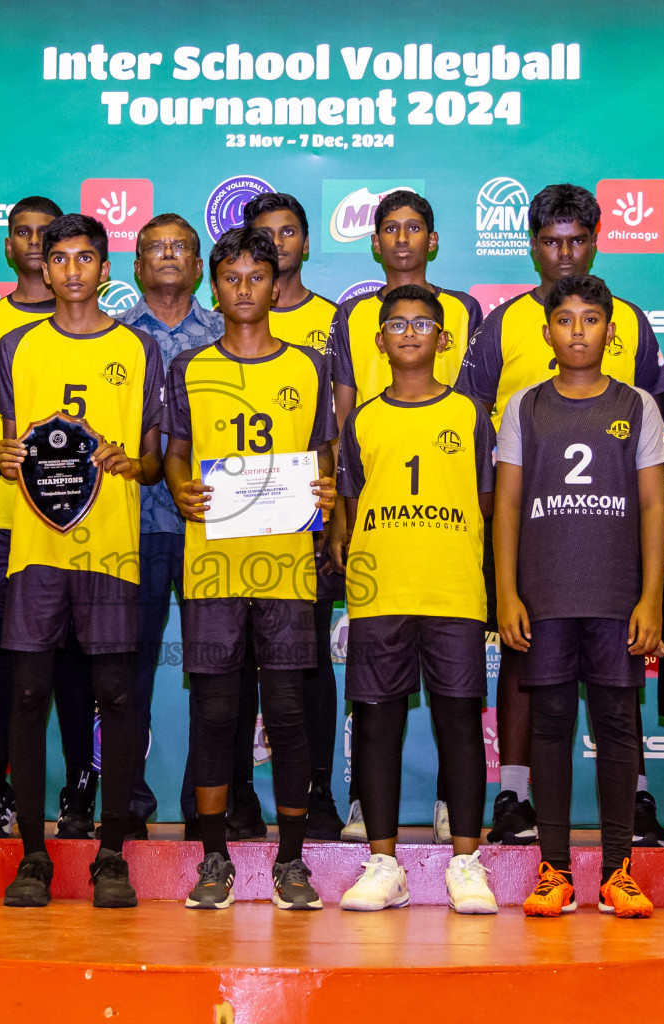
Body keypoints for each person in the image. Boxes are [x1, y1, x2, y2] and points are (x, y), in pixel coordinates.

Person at [456, 183, 664, 847]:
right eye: (552, 242)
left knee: (620, 666)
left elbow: (649, 427)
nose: (565, 255)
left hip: (611, 524)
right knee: (524, 653)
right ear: (533, 247)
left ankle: (633, 796)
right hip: (523, 515)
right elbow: (473, 417)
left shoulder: (629, 319)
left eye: (577, 241)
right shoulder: (500, 324)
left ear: (597, 239)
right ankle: (515, 796)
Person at [0, 214, 163, 909]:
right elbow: (7, 446)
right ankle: (33, 854)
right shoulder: (15, 347)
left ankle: (112, 852)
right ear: (42, 265)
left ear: (104, 268)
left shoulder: (139, 348)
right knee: (28, 697)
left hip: (111, 550)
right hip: (35, 552)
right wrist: (4, 460)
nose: (70, 271)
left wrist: (136, 463)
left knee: (116, 697)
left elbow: (154, 459)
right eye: (57, 258)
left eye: (84, 258)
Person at [164, 227, 335, 911]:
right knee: (213, 712)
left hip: (288, 564)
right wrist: (179, 484)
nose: (243, 289)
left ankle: (291, 863)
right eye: (230, 278)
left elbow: (323, 457)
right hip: (212, 563)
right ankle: (214, 860)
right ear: (216, 286)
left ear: (274, 284)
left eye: (255, 277)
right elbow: (176, 451)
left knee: (289, 711)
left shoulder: (308, 366)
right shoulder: (189, 368)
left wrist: (325, 489)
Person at [494, 275, 664, 919]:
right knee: (552, 728)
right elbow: (508, 502)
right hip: (544, 598)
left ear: (609, 332)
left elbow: (653, 504)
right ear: (547, 333)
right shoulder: (526, 408)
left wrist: (650, 598)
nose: (577, 331)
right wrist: (507, 591)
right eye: (565, 320)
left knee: (619, 728)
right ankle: (554, 870)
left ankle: (619, 869)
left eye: (591, 320)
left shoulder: (638, 405)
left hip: (617, 598)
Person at [331, 285, 497, 914]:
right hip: (381, 590)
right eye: (395, 324)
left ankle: (466, 862)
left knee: (459, 720)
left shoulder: (470, 414)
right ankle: (382, 863)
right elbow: (349, 501)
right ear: (378, 340)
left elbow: (486, 499)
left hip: (452, 586)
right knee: (377, 722)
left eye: (422, 323)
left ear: (443, 338)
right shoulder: (363, 419)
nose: (408, 333)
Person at [326, 188, 481, 843]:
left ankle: (461, 826)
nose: (402, 238)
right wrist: (340, 517)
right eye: (389, 228)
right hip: (380, 560)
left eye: (414, 227)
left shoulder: (468, 382)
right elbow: (346, 444)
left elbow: (484, 474)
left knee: (459, 711)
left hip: (449, 565)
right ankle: (372, 821)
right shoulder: (355, 334)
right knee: (373, 703)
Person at [0, 196, 100, 841]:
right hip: (6, 527)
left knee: (74, 665)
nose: (38, 246)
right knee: (6, 666)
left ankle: (77, 795)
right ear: (8, 246)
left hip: (83, 529)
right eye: (26, 235)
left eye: (51, 236)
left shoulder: (106, 332)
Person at [116, 213, 224, 840]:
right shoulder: (116, 337)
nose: (167, 256)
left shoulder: (225, 332)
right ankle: (127, 799)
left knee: (218, 672)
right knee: (127, 670)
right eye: (154, 247)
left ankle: (208, 804)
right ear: (135, 265)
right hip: (136, 526)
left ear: (197, 261)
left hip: (218, 526)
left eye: (180, 247)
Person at [245, 190, 347, 840]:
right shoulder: (226, 316)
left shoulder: (332, 322)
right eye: (265, 234)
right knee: (231, 663)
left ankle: (316, 792)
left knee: (306, 660)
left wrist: (332, 513)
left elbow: (337, 430)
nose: (278, 243)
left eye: (288, 232)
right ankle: (233, 796)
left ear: (306, 244)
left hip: (305, 519)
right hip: (232, 519)